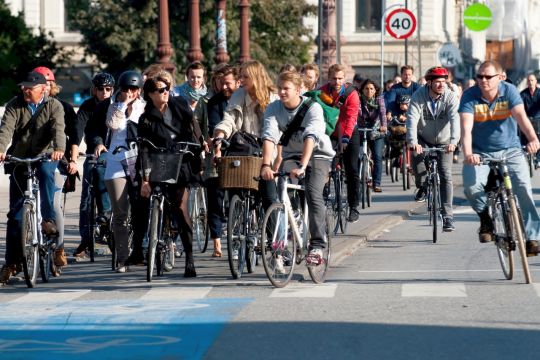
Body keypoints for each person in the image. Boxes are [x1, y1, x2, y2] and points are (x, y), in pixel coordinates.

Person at [459, 60, 540, 255]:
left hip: (510, 150)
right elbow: (466, 129)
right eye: (480, 77)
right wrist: (468, 154)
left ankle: (532, 238)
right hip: (479, 152)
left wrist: (533, 140)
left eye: (488, 76)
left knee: (523, 188)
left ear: (500, 77)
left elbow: (521, 118)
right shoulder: (469, 96)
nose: (483, 80)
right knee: (471, 186)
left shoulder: (509, 91)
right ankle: (485, 219)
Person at [260, 71, 335, 262]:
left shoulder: (313, 108)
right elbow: (269, 136)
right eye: (280, 88)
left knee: (312, 191)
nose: (282, 92)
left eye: (287, 88)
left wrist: (302, 165)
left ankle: (317, 246)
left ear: (298, 89)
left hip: (317, 154)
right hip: (292, 154)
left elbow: (311, 136)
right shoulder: (273, 108)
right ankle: (282, 239)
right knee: (280, 191)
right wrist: (266, 164)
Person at [0, 71, 65, 284]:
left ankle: (47, 220)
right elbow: (6, 129)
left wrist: (59, 149)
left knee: (47, 173)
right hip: (20, 158)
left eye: (30, 88)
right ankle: (11, 263)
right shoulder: (14, 104)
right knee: (16, 216)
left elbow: (58, 129)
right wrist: (1, 149)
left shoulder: (53, 105)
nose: (25, 90)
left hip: (45, 155)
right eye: (24, 87)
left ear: (43, 89)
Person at [138, 70, 203, 277]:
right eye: (160, 90)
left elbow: (193, 126)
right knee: (144, 199)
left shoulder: (179, 104)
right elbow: (143, 150)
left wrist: (200, 146)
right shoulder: (146, 119)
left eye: (166, 89)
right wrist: (144, 180)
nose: (165, 92)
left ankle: (190, 259)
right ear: (150, 94)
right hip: (159, 161)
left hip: (181, 159)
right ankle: (147, 243)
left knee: (180, 207)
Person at [213, 60, 280, 212]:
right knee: (235, 183)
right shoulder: (239, 95)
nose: (240, 80)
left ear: (256, 77)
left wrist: (272, 157)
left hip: (266, 149)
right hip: (244, 149)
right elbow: (229, 118)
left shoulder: (273, 98)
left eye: (245, 77)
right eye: (240, 76)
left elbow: (274, 129)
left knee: (269, 196)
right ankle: (237, 223)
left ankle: (275, 235)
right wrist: (220, 135)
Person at [101, 70, 146, 273]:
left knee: (140, 210)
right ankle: (122, 258)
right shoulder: (112, 107)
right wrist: (122, 104)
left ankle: (141, 248)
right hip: (117, 161)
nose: (130, 92)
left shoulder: (145, 107)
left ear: (139, 90)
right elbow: (113, 124)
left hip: (138, 162)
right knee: (120, 213)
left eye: (133, 89)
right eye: (126, 89)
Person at [32, 66, 77, 268]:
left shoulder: (62, 107)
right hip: (31, 157)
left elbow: (68, 133)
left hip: (55, 157)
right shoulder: (26, 104)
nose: (45, 88)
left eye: (48, 84)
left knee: (55, 202)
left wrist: (70, 157)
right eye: (42, 84)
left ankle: (59, 247)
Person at [407, 66, 460, 232]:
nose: (441, 85)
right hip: (423, 138)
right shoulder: (418, 96)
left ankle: (448, 216)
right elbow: (412, 119)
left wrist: (453, 141)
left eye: (443, 82)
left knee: (445, 174)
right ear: (429, 83)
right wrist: (413, 141)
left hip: (445, 141)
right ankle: (422, 186)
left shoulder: (450, 97)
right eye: (437, 82)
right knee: (416, 160)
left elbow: (455, 120)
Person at [70, 72, 114, 258]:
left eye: (108, 89)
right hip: (93, 152)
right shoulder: (88, 106)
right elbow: (78, 131)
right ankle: (85, 240)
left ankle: (107, 216)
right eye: (101, 89)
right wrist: (73, 155)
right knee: (86, 197)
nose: (104, 92)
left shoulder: (116, 105)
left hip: (115, 155)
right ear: (94, 90)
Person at [205, 64, 240, 258]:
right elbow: (213, 126)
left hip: (239, 154)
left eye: (229, 84)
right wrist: (217, 143)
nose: (225, 87)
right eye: (222, 84)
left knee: (238, 196)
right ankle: (216, 241)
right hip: (218, 153)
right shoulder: (214, 102)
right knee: (215, 196)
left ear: (237, 82)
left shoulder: (242, 99)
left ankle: (237, 236)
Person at [319, 64, 361, 222]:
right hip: (330, 133)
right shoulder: (322, 91)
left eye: (340, 78)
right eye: (334, 78)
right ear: (329, 78)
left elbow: (351, 118)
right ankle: (322, 200)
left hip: (349, 132)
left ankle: (354, 206)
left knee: (352, 169)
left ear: (345, 79)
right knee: (323, 166)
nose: (337, 81)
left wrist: (345, 139)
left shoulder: (351, 94)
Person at [357, 79, 386, 192]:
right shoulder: (359, 100)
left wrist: (384, 126)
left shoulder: (379, 100)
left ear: (375, 90)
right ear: (362, 90)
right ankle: (357, 179)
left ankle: (376, 183)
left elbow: (383, 113)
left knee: (377, 157)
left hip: (376, 130)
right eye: (366, 89)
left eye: (371, 89)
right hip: (361, 129)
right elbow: (356, 112)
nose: (369, 91)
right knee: (357, 156)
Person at [520, 73, 540, 166]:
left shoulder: (539, 92)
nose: (530, 82)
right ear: (527, 82)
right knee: (523, 133)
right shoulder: (523, 94)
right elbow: (519, 106)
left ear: (536, 82)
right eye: (529, 80)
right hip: (527, 118)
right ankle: (525, 152)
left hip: (538, 118)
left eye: (532, 80)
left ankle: (538, 159)